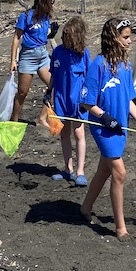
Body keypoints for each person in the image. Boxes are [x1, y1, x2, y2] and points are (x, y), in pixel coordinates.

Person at [79, 17, 136, 239]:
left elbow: (127, 99)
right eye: (125, 37)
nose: (130, 41)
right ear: (113, 38)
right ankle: (120, 227)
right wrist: (104, 117)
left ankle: (85, 208)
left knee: (104, 171)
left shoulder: (125, 65)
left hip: (120, 125)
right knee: (119, 173)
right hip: (104, 128)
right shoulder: (98, 65)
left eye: (130, 37)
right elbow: (87, 102)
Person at [44, 16, 92, 186]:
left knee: (79, 134)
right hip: (60, 99)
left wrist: (87, 100)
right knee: (64, 134)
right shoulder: (57, 52)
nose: (66, 40)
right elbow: (53, 75)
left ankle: (80, 171)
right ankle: (67, 169)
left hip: (77, 100)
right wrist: (48, 91)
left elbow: (89, 79)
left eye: (69, 37)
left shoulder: (83, 54)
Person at [9, 0, 57, 124]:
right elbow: (16, 38)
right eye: (50, 3)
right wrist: (13, 60)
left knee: (54, 86)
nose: (52, 6)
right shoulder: (25, 16)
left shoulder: (46, 17)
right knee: (23, 92)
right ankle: (15, 120)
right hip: (28, 56)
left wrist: (51, 33)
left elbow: (43, 35)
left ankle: (42, 118)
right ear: (43, 2)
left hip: (42, 55)